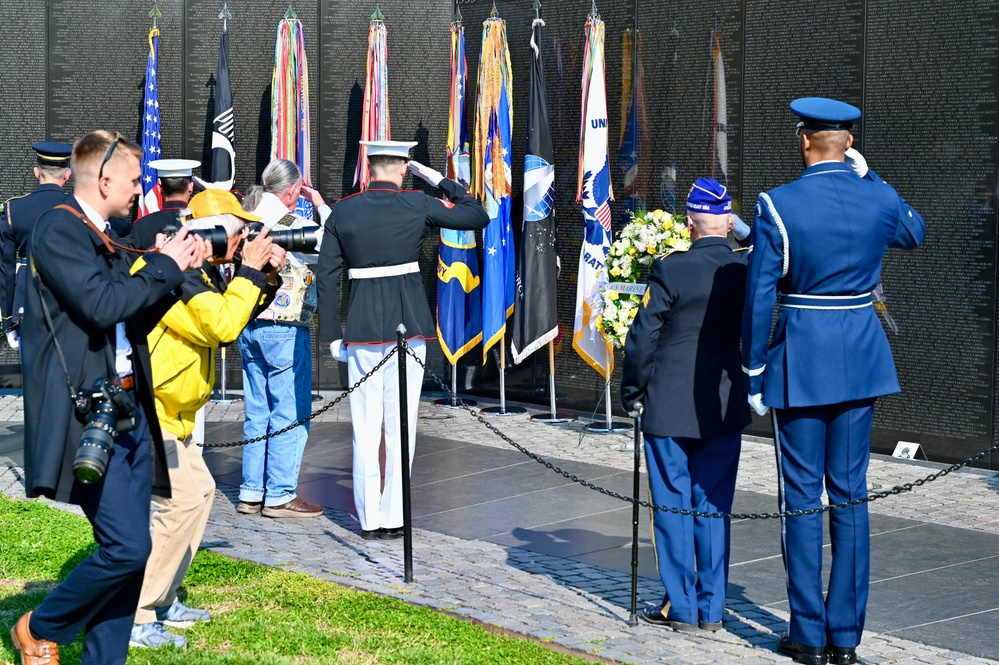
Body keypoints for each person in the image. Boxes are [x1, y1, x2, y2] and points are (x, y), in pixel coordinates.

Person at [10, 130, 206, 665]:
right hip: (88, 413)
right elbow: (100, 304)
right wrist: (163, 266)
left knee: (129, 556)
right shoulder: (59, 231)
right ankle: (40, 625)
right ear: (103, 180)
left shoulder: (105, 231)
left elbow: (131, 309)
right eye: (134, 179)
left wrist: (181, 270)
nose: (141, 189)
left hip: (126, 410)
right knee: (128, 548)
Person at [741, 98, 926, 665]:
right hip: (861, 357)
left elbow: (761, 296)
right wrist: (874, 178)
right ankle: (845, 637)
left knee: (800, 497)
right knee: (850, 496)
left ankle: (809, 634)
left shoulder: (779, 204)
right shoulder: (879, 196)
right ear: (849, 143)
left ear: (804, 141)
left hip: (803, 358)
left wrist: (753, 369)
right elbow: (915, 233)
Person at [130, 189, 285, 648]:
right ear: (212, 231)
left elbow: (229, 318)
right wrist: (251, 272)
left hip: (173, 412)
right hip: (150, 410)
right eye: (240, 233)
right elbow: (219, 326)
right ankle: (137, 614)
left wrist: (265, 279)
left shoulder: (196, 273)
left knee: (199, 493)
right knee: (178, 503)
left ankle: (163, 598)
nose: (244, 241)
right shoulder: (172, 275)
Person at [317, 141, 489, 540]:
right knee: (401, 426)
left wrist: (330, 335)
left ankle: (369, 519)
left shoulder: (343, 209)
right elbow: (476, 214)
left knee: (365, 425)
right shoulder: (416, 203)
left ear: (369, 167)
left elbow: (327, 277)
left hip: (360, 330)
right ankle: (395, 515)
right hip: (408, 326)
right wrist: (438, 180)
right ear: (402, 170)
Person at [620, 177, 749, 632]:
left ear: (689, 225)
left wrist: (632, 393)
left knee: (672, 505)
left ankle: (683, 607)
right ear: (729, 223)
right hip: (722, 405)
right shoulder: (745, 270)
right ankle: (713, 610)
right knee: (713, 505)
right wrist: (744, 232)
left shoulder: (671, 269)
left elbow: (643, 339)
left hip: (669, 407)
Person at [236, 158, 329, 518]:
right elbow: (329, 239)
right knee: (289, 409)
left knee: (257, 410)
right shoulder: (288, 220)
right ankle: (279, 494)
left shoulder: (245, 213)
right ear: (292, 191)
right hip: (284, 325)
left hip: (247, 319)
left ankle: (250, 492)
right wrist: (320, 204)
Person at [0, 141, 73, 350]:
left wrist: (8, 319)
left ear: (36, 172)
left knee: (33, 377)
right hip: (70, 299)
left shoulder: (13, 209)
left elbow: (6, 270)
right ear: (67, 175)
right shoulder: (79, 207)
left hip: (26, 301)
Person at [128, 158, 201, 249]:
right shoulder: (206, 223)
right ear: (191, 186)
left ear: (159, 189)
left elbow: (132, 262)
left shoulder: (141, 226)